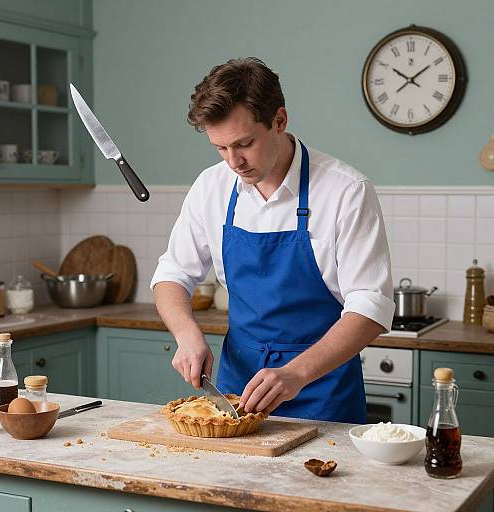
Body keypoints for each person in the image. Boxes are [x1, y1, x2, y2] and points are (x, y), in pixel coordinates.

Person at [151, 57, 395, 423]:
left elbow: (370, 307)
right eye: (220, 148)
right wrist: (186, 333)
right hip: (237, 395)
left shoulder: (346, 191)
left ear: (279, 121)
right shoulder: (211, 187)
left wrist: (296, 374)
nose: (234, 162)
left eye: (243, 143)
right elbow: (172, 272)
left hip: (323, 393)